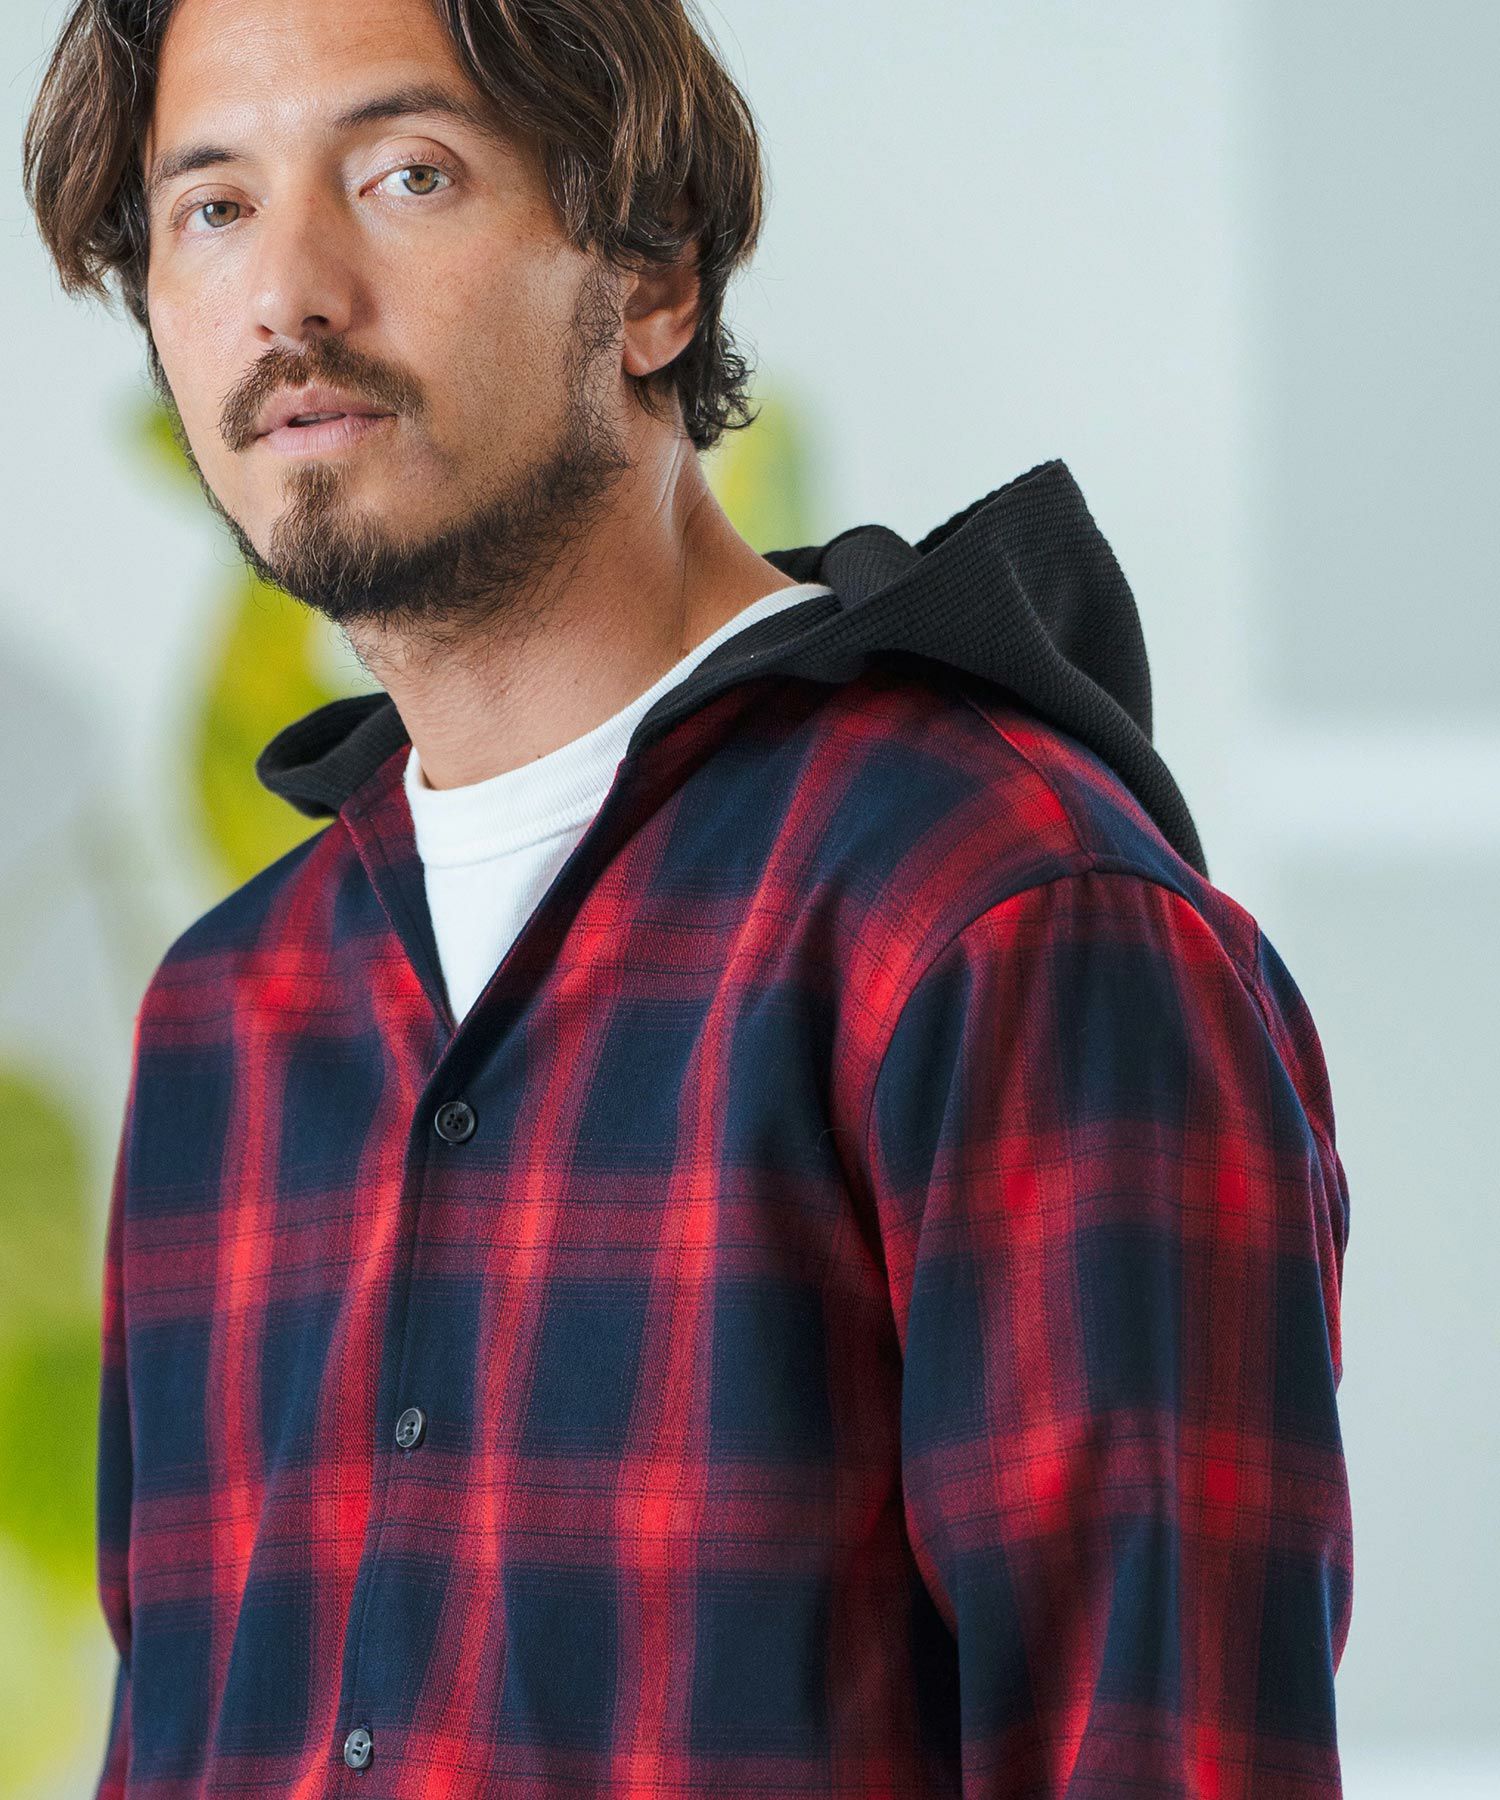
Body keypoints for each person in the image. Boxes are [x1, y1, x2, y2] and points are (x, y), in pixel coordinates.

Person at [23, 0, 1354, 1793]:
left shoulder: (997, 915)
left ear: (653, 275)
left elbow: (1163, 1751)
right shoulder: (225, 1019)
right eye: (214, 209)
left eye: (408, 174)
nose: (289, 295)